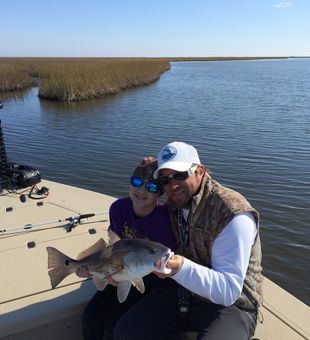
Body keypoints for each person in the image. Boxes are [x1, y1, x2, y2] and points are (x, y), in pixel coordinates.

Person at [113, 141, 263, 340]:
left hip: (232, 306)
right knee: (127, 332)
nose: (172, 185)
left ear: (200, 171)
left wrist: (179, 267)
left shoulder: (232, 214)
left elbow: (228, 291)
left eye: (180, 175)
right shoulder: (174, 204)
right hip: (184, 292)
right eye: (165, 180)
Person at [78, 156, 176, 340]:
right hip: (118, 269)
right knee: (91, 316)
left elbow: (161, 266)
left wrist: (124, 277)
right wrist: (98, 271)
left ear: (160, 193)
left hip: (150, 280)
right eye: (136, 182)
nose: (141, 190)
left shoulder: (164, 219)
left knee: (116, 322)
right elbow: (112, 249)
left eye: (151, 187)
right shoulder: (118, 208)